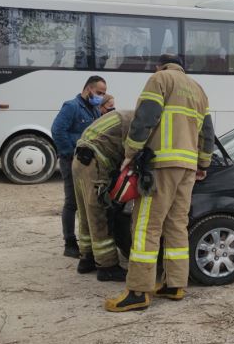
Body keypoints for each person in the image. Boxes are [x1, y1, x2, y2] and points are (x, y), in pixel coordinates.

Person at [104, 54, 215, 312]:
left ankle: (138, 291)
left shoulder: (159, 79)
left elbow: (145, 118)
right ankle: (175, 284)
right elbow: (207, 132)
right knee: (177, 224)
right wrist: (203, 164)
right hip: (187, 168)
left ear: (159, 66)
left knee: (146, 225)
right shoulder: (198, 89)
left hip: (161, 165)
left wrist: (130, 153)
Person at [73, 110, 135, 281]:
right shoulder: (137, 123)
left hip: (80, 160)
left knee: (86, 213)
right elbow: (133, 152)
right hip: (95, 163)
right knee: (100, 213)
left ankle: (87, 258)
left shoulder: (124, 115)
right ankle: (107, 267)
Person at [51, 75, 107, 258]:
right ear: (88, 89)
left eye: (103, 93)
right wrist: (69, 153)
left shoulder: (94, 110)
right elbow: (57, 130)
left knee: (86, 201)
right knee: (72, 202)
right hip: (72, 161)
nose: (101, 96)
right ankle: (69, 243)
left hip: (87, 163)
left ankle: (86, 240)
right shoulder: (72, 106)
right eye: (99, 92)